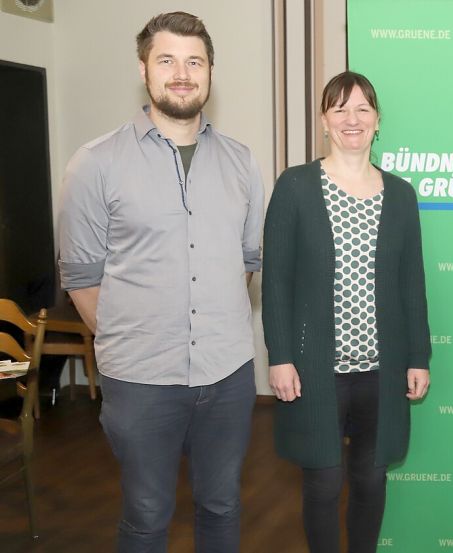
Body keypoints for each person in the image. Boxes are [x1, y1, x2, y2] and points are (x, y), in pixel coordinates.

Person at [57, 12, 264, 551]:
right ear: (143, 69)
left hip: (228, 375)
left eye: (194, 61)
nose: (182, 73)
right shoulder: (95, 163)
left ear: (211, 72)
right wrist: (131, 339)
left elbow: (245, 262)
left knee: (222, 505)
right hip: (141, 381)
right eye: (167, 59)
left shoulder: (242, 162)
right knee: (147, 514)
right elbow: (81, 275)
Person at [262, 71, 431, 553]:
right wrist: (280, 356)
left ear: (378, 121)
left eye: (362, 110)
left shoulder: (400, 194)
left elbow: (411, 284)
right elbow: (276, 281)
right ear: (324, 121)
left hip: (382, 368)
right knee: (323, 484)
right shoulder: (295, 187)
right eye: (340, 109)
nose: (351, 119)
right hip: (315, 369)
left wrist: (419, 356)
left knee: (372, 482)